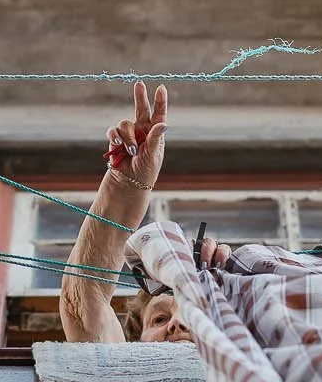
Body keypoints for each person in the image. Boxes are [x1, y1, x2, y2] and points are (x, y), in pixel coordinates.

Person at [58, 81, 228, 344]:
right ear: (134, 343)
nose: (177, 325)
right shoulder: (118, 370)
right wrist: (124, 185)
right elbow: (81, 299)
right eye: (158, 319)